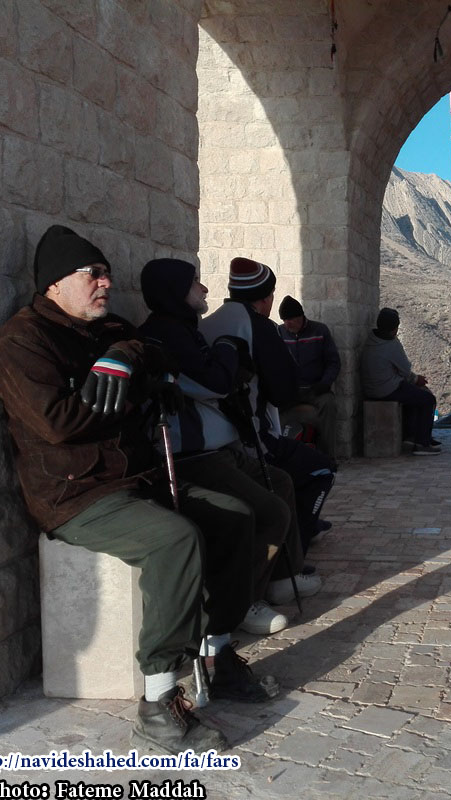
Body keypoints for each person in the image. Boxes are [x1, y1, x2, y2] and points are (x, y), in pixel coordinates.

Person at [0, 226, 276, 755]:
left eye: (106, 273)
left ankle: (216, 650)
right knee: (175, 540)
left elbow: (155, 350)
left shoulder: (109, 328)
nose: (105, 282)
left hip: (135, 478)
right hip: (75, 495)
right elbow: (59, 423)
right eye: (93, 274)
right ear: (54, 283)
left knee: (235, 516)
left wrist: (126, 355)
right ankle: (159, 702)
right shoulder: (23, 342)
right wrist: (135, 388)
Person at [138, 259, 321, 628]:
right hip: (192, 454)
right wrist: (227, 348)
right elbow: (217, 382)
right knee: (269, 510)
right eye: (195, 283)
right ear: (175, 291)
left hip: (217, 445)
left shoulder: (187, 329)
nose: (205, 288)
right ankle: (243, 604)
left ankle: (281, 577)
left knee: (281, 482)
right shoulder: (167, 335)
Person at [201, 258, 337, 552]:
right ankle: (297, 545)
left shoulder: (207, 324)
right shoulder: (261, 328)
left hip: (211, 436)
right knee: (321, 470)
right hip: (250, 437)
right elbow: (282, 392)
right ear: (265, 297)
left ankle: (304, 526)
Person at [361, 307, 440, 455]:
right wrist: (417, 379)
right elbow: (405, 369)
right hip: (387, 389)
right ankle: (422, 443)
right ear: (394, 329)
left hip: (371, 389)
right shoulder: (391, 344)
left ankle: (410, 437)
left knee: (413, 395)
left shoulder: (371, 339)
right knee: (428, 399)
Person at [276, 295, 341, 458]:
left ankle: (327, 457)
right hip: (291, 391)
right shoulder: (279, 332)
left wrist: (325, 383)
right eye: (284, 320)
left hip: (315, 390)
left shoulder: (320, 331)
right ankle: (279, 453)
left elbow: (333, 362)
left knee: (329, 404)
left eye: (290, 319)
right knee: (273, 408)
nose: (287, 324)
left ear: (300, 317)